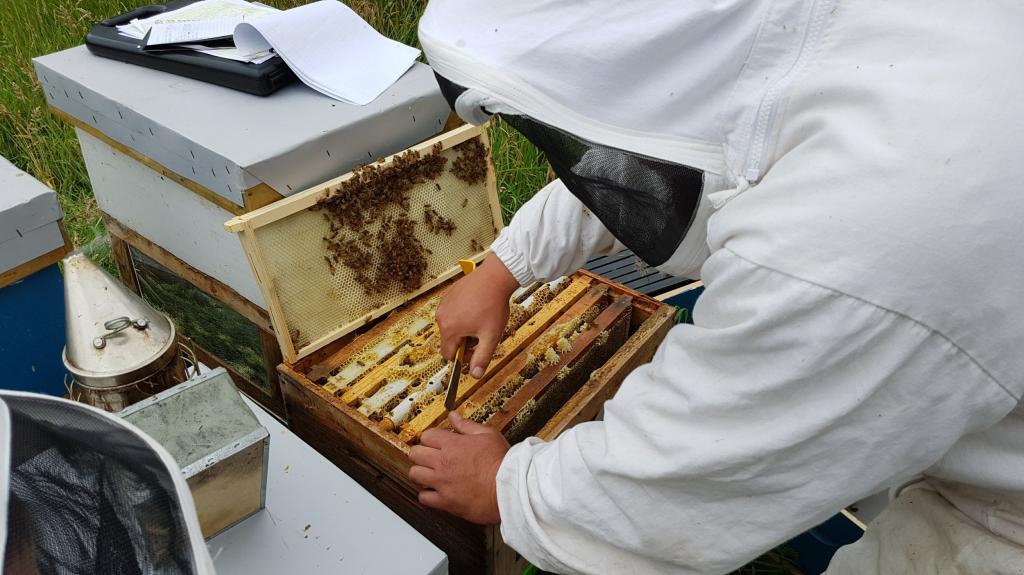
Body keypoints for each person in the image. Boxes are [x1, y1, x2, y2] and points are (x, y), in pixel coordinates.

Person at [407, 1, 1024, 573]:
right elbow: (665, 148)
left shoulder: (855, 248)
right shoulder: (804, 37)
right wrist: (505, 266)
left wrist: (508, 487)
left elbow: (691, 473)